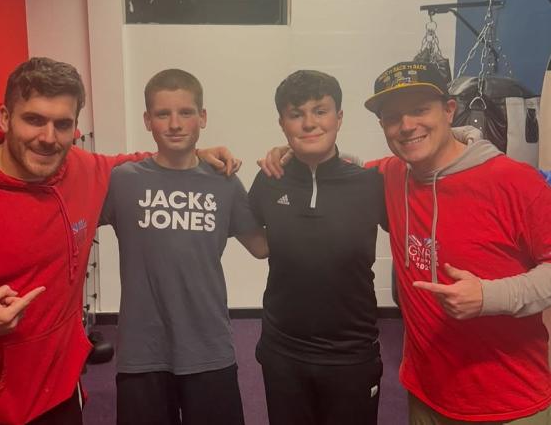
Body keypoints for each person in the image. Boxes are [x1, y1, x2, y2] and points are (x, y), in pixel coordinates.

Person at [0, 57, 239, 425]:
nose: (48, 137)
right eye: (34, 119)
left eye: (63, 124)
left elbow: (147, 163)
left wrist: (195, 154)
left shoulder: (84, 170)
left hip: (60, 397)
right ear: (6, 117)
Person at [260, 62, 551, 423]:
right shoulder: (389, 177)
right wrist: (286, 153)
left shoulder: (516, 182)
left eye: (419, 109)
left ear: (449, 110)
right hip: (426, 394)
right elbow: (338, 170)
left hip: (509, 399)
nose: (407, 125)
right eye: (393, 117)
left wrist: (490, 296)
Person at [100, 68, 268, 425]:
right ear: (148, 120)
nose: (175, 124)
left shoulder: (224, 182)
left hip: (208, 348)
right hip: (142, 350)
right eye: (163, 114)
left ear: (202, 117)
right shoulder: (122, 180)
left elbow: (262, 246)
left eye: (186, 113)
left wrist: (295, 171)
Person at [248, 70, 387, 425]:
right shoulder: (268, 180)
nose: (309, 123)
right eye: (296, 114)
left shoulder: (371, 183)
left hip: (352, 355)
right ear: (283, 124)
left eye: (320, 111)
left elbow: (427, 167)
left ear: (339, 117)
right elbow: (255, 241)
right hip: (283, 352)